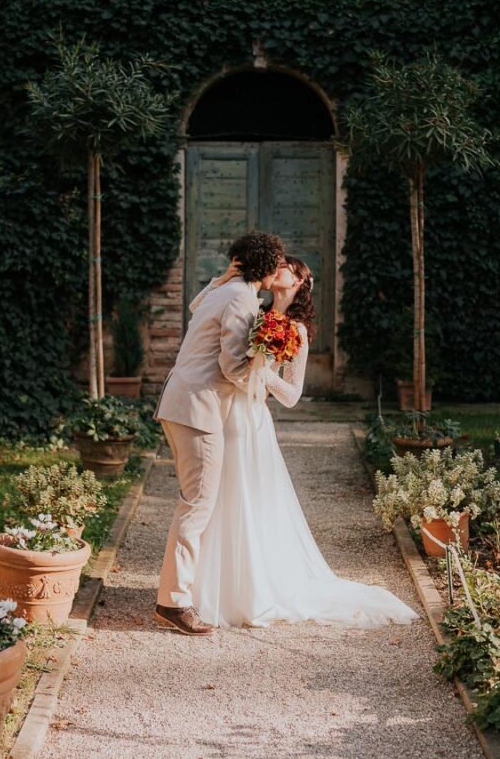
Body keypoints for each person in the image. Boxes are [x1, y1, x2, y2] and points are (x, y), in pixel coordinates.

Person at [189, 255, 419, 629]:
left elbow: (292, 394)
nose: (277, 269)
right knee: (220, 495)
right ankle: (211, 586)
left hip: (252, 418)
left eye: (287, 268)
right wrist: (221, 279)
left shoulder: (296, 332)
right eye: (277, 265)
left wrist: (261, 375)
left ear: (298, 283)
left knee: (248, 498)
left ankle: (250, 589)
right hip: (225, 410)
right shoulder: (249, 306)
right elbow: (198, 310)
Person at [153, 230, 286, 635]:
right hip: (199, 408)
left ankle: (176, 592)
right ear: (264, 266)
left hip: (179, 403)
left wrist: (221, 277)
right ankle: (173, 604)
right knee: (197, 504)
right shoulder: (242, 299)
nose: (280, 270)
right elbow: (231, 367)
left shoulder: (223, 290)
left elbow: (196, 307)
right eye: (277, 263)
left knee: (193, 501)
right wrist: (262, 365)